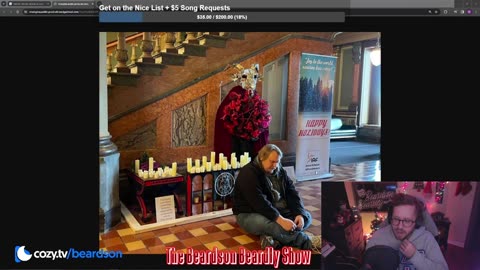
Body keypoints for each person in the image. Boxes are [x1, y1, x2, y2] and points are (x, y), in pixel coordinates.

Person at [232, 144, 320, 251]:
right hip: (249, 213)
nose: (275, 165)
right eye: (272, 161)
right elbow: (259, 203)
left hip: (275, 210)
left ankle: (271, 238)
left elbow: (291, 192)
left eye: (277, 161)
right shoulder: (248, 173)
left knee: (306, 216)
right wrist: (281, 220)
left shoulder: (279, 170)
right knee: (269, 224)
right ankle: (306, 241)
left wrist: (299, 214)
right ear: (261, 158)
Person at [365, 193, 448, 270]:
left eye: (407, 221)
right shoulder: (378, 237)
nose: (400, 226)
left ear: (416, 222)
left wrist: (415, 256)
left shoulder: (427, 239)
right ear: (391, 218)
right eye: (396, 219)